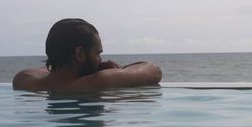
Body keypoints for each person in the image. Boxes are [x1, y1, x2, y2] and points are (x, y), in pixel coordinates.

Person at [13, 18, 162, 91]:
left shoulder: (24, 80)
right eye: (97, 53)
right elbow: (154, 70)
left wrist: (92, 65)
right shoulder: (97, 82)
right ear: (79, 54)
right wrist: (109, 70)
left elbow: (53, 69)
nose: (100, 59)